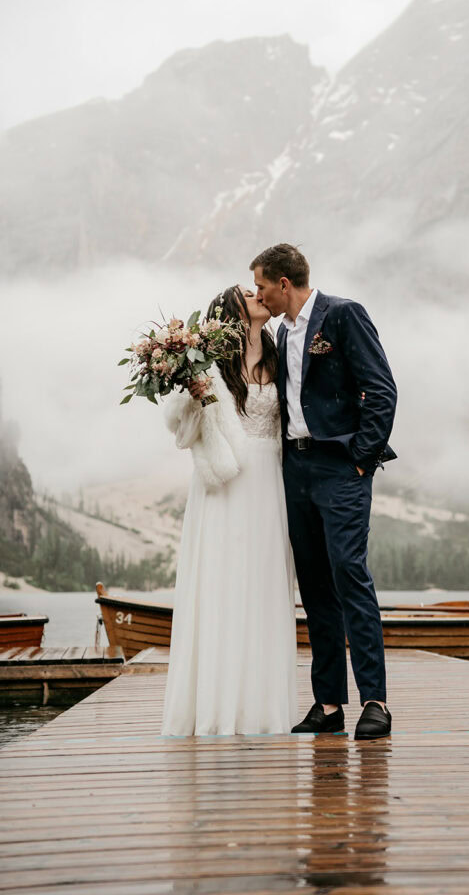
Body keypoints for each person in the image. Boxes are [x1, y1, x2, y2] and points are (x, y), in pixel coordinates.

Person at [250, 243, 398, 740]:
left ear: (284, 284)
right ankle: (329, 704)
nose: (259, 295)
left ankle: (374, 702)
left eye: (262, 286)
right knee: (314, 588)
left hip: (340, 468)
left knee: (349, 574)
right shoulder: (279, 333)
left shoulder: (343, 315)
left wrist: (362, 459)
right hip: (296, 469)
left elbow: (380, 388)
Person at [160, 285, 297, 736]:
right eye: (246, 292)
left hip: (269, 482)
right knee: (222, 584)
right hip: (224, 486)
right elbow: (183, 434)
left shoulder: (278, 354)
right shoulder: (209, 364)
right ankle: (216, 708)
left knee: (262, 587)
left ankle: (258, 709)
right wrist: (195, 394)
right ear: (232, 311)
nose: (257, 294)